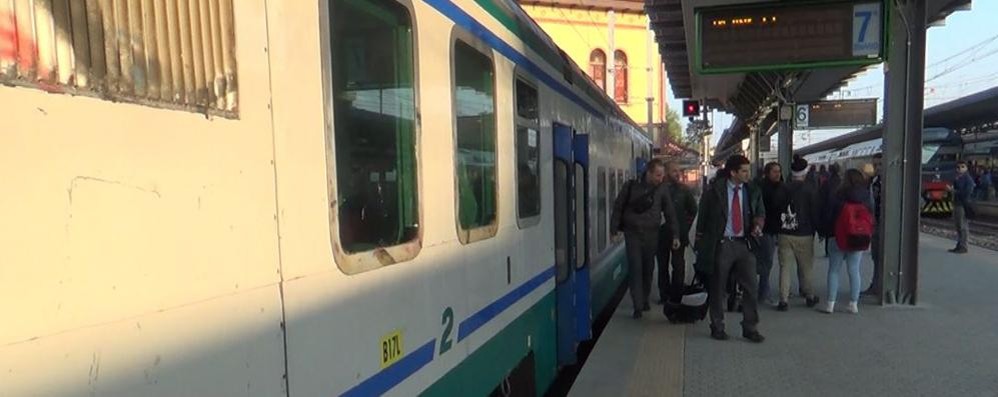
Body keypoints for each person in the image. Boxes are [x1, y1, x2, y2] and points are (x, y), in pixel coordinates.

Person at [694, 155, 765, 343]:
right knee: (718, 287)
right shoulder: (715, 191)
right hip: (722, 243)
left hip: (745, 244)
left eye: (748, 170)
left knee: (751, 287)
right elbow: (703, 215)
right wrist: (699, 241)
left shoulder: (752, 190)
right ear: (733, 172)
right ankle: (717, 326)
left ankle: (750, 327)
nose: (748, 174)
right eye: (744, 171)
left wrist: (758, 225)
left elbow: (760, 212)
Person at [611, 159, 681, 319]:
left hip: (652, 233)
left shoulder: (662, 190)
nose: (660, 178)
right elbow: (618, 206)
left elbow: (670, 212)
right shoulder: (631, 186)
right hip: (633, 233)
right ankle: (638, 305)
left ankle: (644, 298)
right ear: (648, 173)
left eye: (662, 175)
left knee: (648, 268)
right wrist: (614, 230)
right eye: (657, 175)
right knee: (635, 267)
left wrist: (675, 234)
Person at [819, 168, 873, 314]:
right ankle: (853, 304)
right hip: (858, 237)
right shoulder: (866, 195)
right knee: (854, 270)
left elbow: (830, 215)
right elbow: (870, 215)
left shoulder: (838, 194)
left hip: (837, 237)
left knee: (834, 270)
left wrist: (826, 232)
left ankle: (830, 304)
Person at [776, 156, 822, 311]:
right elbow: (815, 211)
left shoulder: (783, 188)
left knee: (784, 267)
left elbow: (776, 209)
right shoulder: (810, 189)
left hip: (784, 232)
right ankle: (809, 296)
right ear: (805, 171)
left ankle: (783, 300)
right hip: (804, 233)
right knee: (806, 267)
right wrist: (818, 229)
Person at [658, 161, 698, 305]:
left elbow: (693, 210)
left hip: (679, 235)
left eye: (678, 171)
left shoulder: (684, 190)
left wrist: (685, 227)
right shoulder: (658, 189)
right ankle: (664, 294)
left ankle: (676, 294)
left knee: (678, 265)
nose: (677, 174)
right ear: (667, 172)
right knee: (662, 266)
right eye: (674, 170)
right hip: (661, 234)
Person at [754, 162, 784, 306]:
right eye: (774, 172)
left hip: (772, 228)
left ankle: (761, 291)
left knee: (764, 261)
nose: (777, 174)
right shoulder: (763, 188)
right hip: (764, 229)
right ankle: (763, 293)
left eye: (779, 171)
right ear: (767, 173)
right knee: (766, 261)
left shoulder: (779, 186)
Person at [862, 156, 883, 297]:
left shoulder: (884, 183)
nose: (877, 168)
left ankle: (878, 285)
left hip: (882, 224)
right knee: (876, 256)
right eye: (875, 165)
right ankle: (876, 284)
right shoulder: (873, 181)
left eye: (880, 164)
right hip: (874, 224)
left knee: (880, 255)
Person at [949, 161, 975, 254]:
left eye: (962, 167)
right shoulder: (958, 178)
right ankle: (959, 245)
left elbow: (966, 193)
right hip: (957, 203)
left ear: (966, 168)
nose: (960, 169)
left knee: (962, 226)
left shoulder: (968, 179)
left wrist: (954, 191)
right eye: (958, 167)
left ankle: (963, 246)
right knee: (958, 226)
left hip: (963, 204)